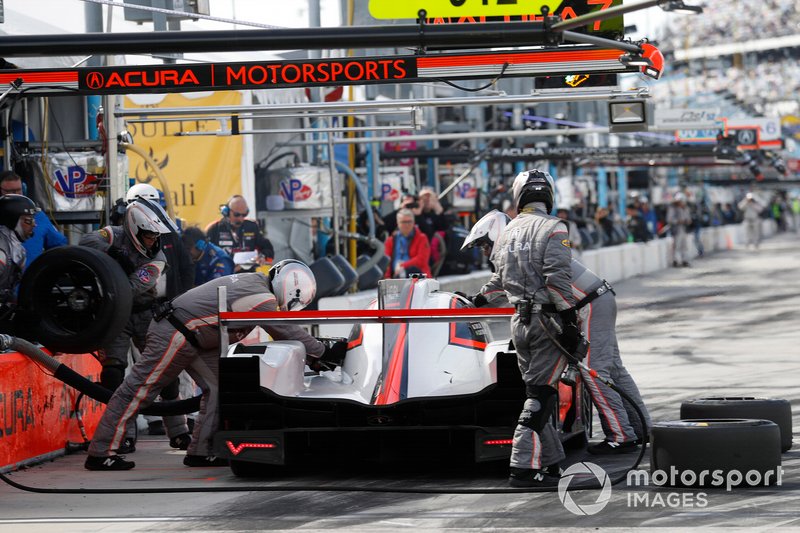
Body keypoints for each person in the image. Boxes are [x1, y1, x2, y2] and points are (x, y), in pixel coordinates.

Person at [84, 261, 346, 471]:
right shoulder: (260, 296)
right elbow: (285, 329)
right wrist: (323, 351)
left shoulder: (255, 286)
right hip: (176, 333)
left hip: (191, 337)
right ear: (292, 290)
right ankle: (101, 452)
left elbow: (284, 329)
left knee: (220, 389)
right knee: (137, 390)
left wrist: (315, 353)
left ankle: (202, 451)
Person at [463, 210, 651, 456]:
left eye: (485, 245)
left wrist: (474, 300)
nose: (485, 252)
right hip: (597, 299)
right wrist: (478, 299)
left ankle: (621, 435)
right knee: (614, 368)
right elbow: (500, 283)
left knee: (595, 371)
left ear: (496, 234)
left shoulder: (518, 252)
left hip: (589, 304)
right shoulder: (525, 248)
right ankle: (642, 429)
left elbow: (500, 284)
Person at [477, 169, 579, 487]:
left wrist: (477, 300)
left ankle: (549, 463)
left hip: (518, 323)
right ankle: (521, 467)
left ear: (519, 197)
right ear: (548, 195)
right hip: (546, 321)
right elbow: (558, 282)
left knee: (539, 393)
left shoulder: (506, 234)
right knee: (540, 396)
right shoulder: (554, 228)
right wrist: (570, 321)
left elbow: (498, 281)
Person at [80, 197, 188, 454]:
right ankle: (124, 435)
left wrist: (116, 268)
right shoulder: (113, 235)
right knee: (113, 376)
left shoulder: (158, 260)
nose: (154, 241)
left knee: (167, 373)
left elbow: (129, 288)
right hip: (114, 315)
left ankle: (179, 431)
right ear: (135, 230)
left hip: (144, 314)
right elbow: (84, 243)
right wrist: (114, 253)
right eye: (149, 236)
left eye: (156, 236)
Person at [125, 183, 195, 440]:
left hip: (166, 309)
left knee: (173, 367)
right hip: (131, 312)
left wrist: (181, 301)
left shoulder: (170, 235)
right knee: (129, 371)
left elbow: (186, 269)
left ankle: (181, 419)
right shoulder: (118, 236)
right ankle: (136, 428)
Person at [0, 172, 68, 268]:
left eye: (18, 190)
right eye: (9, 191)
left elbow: (59, 246)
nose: (15, 195)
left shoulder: (38, 216)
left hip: (31, 279)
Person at [206, 195, 274, 270]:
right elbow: (204, 254)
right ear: (226, 212)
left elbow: (268, 248)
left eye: (244, 214)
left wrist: (262, 256)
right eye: (236, 214)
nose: (240, 219)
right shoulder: (214, 228)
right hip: (222, 274)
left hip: (247, 275)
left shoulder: (252, 227)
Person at [0, 194, 37, 315]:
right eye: (29, 220)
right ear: (12, 220)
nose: (34, 224)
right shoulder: (2, 251)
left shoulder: (16, 248)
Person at [383, 208, 431, 279]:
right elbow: (387, 262)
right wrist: (387, 277)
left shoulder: (422, 238)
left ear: (414, 222)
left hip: (417, 277)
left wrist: (403, 265)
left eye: (410, 222)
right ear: (398, 223)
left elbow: (422, 259)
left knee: (412, 270)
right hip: (396, 277)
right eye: (404, 222)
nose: (407, 225)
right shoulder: (390, 240)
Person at [666, 192, 692, 267]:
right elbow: (669, 219)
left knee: (684, 246)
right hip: (676, 229)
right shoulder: (673, 208)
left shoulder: (686, 208)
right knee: (676, 246)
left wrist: (687, 221)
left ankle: (684, 260)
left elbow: (688, 218)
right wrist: (678, 221)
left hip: (684, 229)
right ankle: (676, 260)